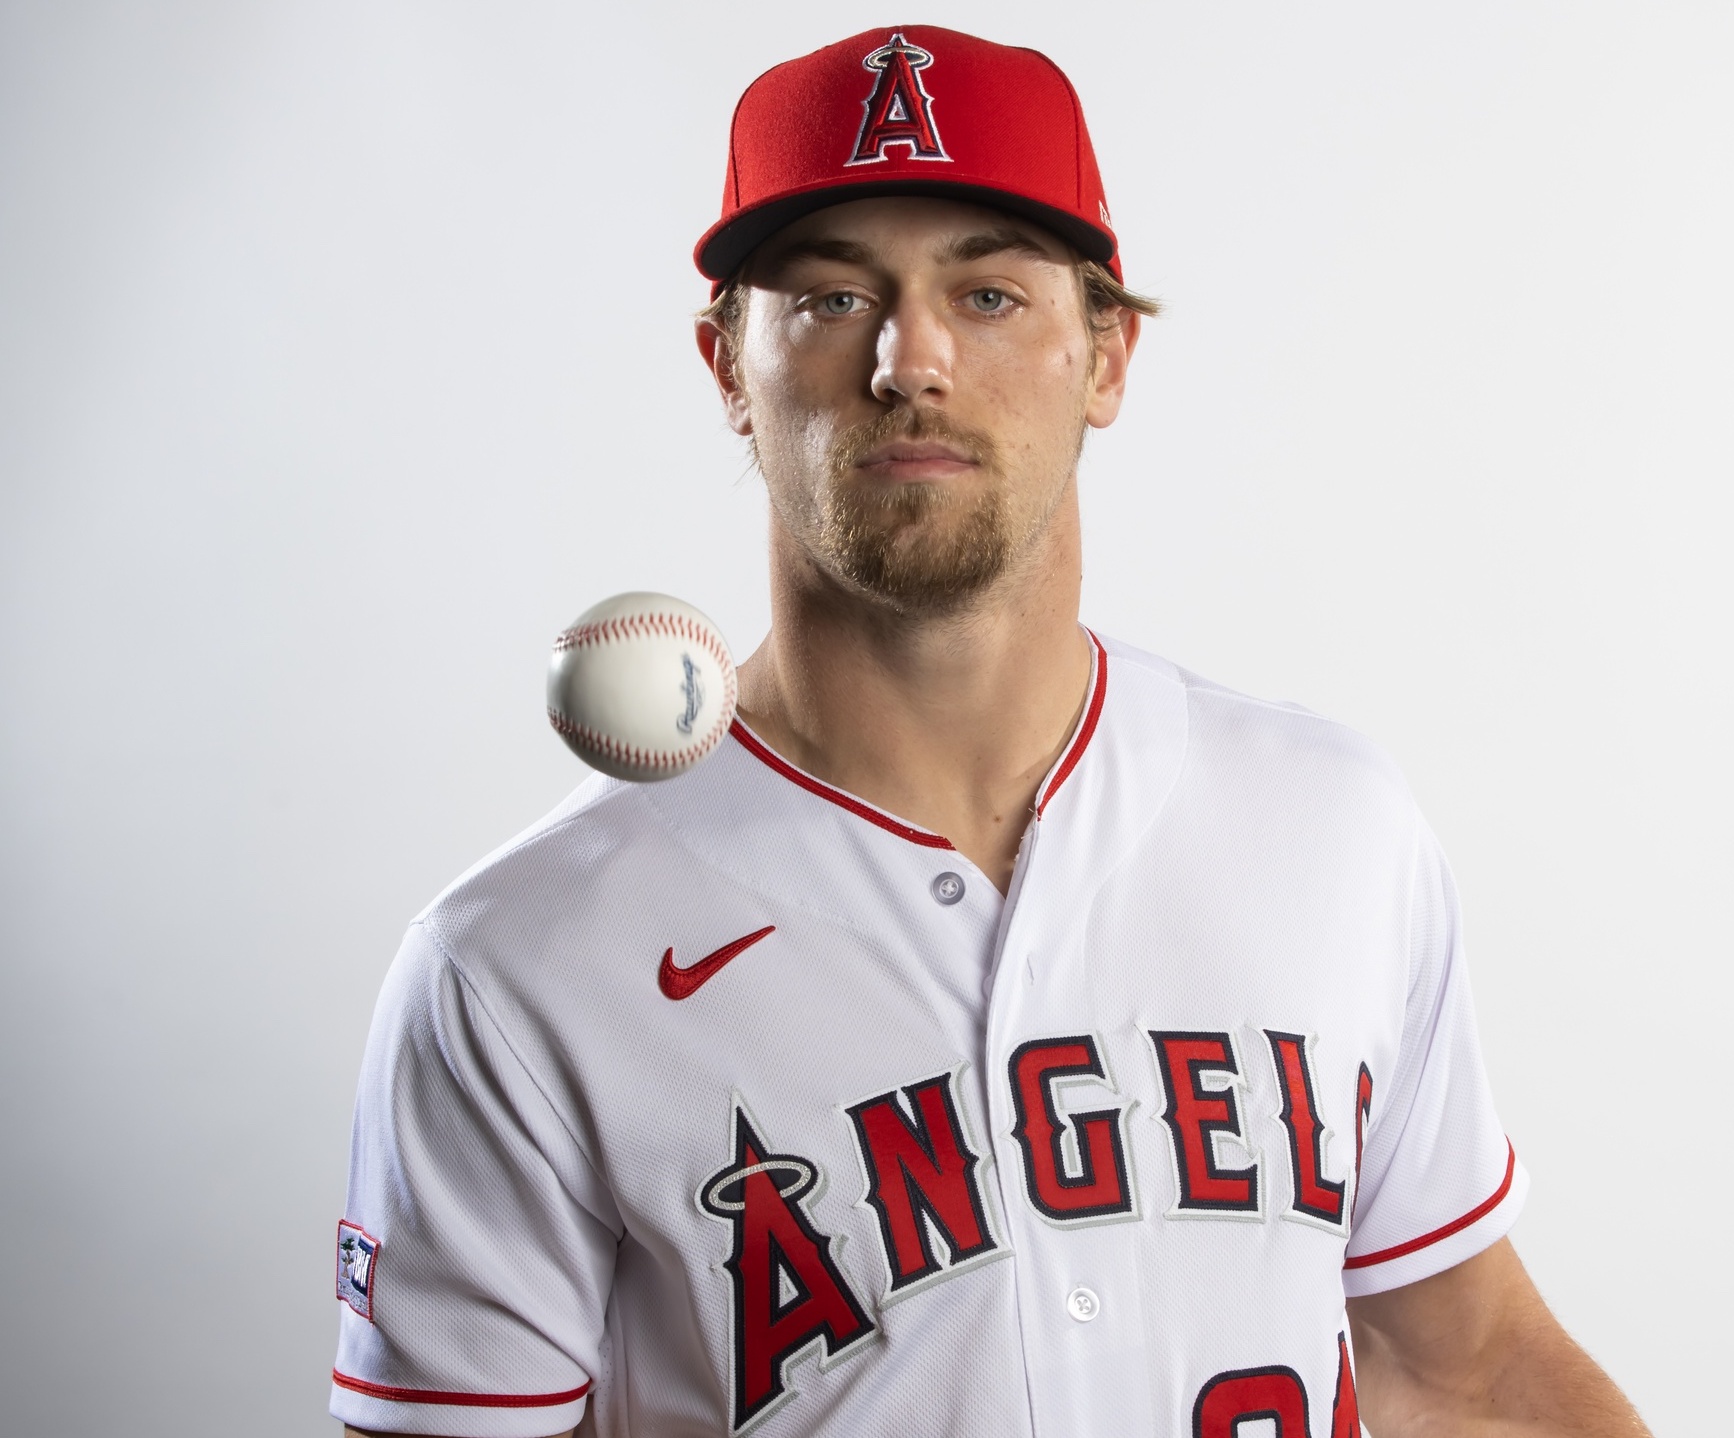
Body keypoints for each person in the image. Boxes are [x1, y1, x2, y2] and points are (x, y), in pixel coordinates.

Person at [332, 25, 1651, 1438]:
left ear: (1108, 355)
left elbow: (1459, 1365)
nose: (914, 359)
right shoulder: (513, 969)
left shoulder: (1330, 824)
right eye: (836, 295)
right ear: (726, 366)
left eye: (991, 291)